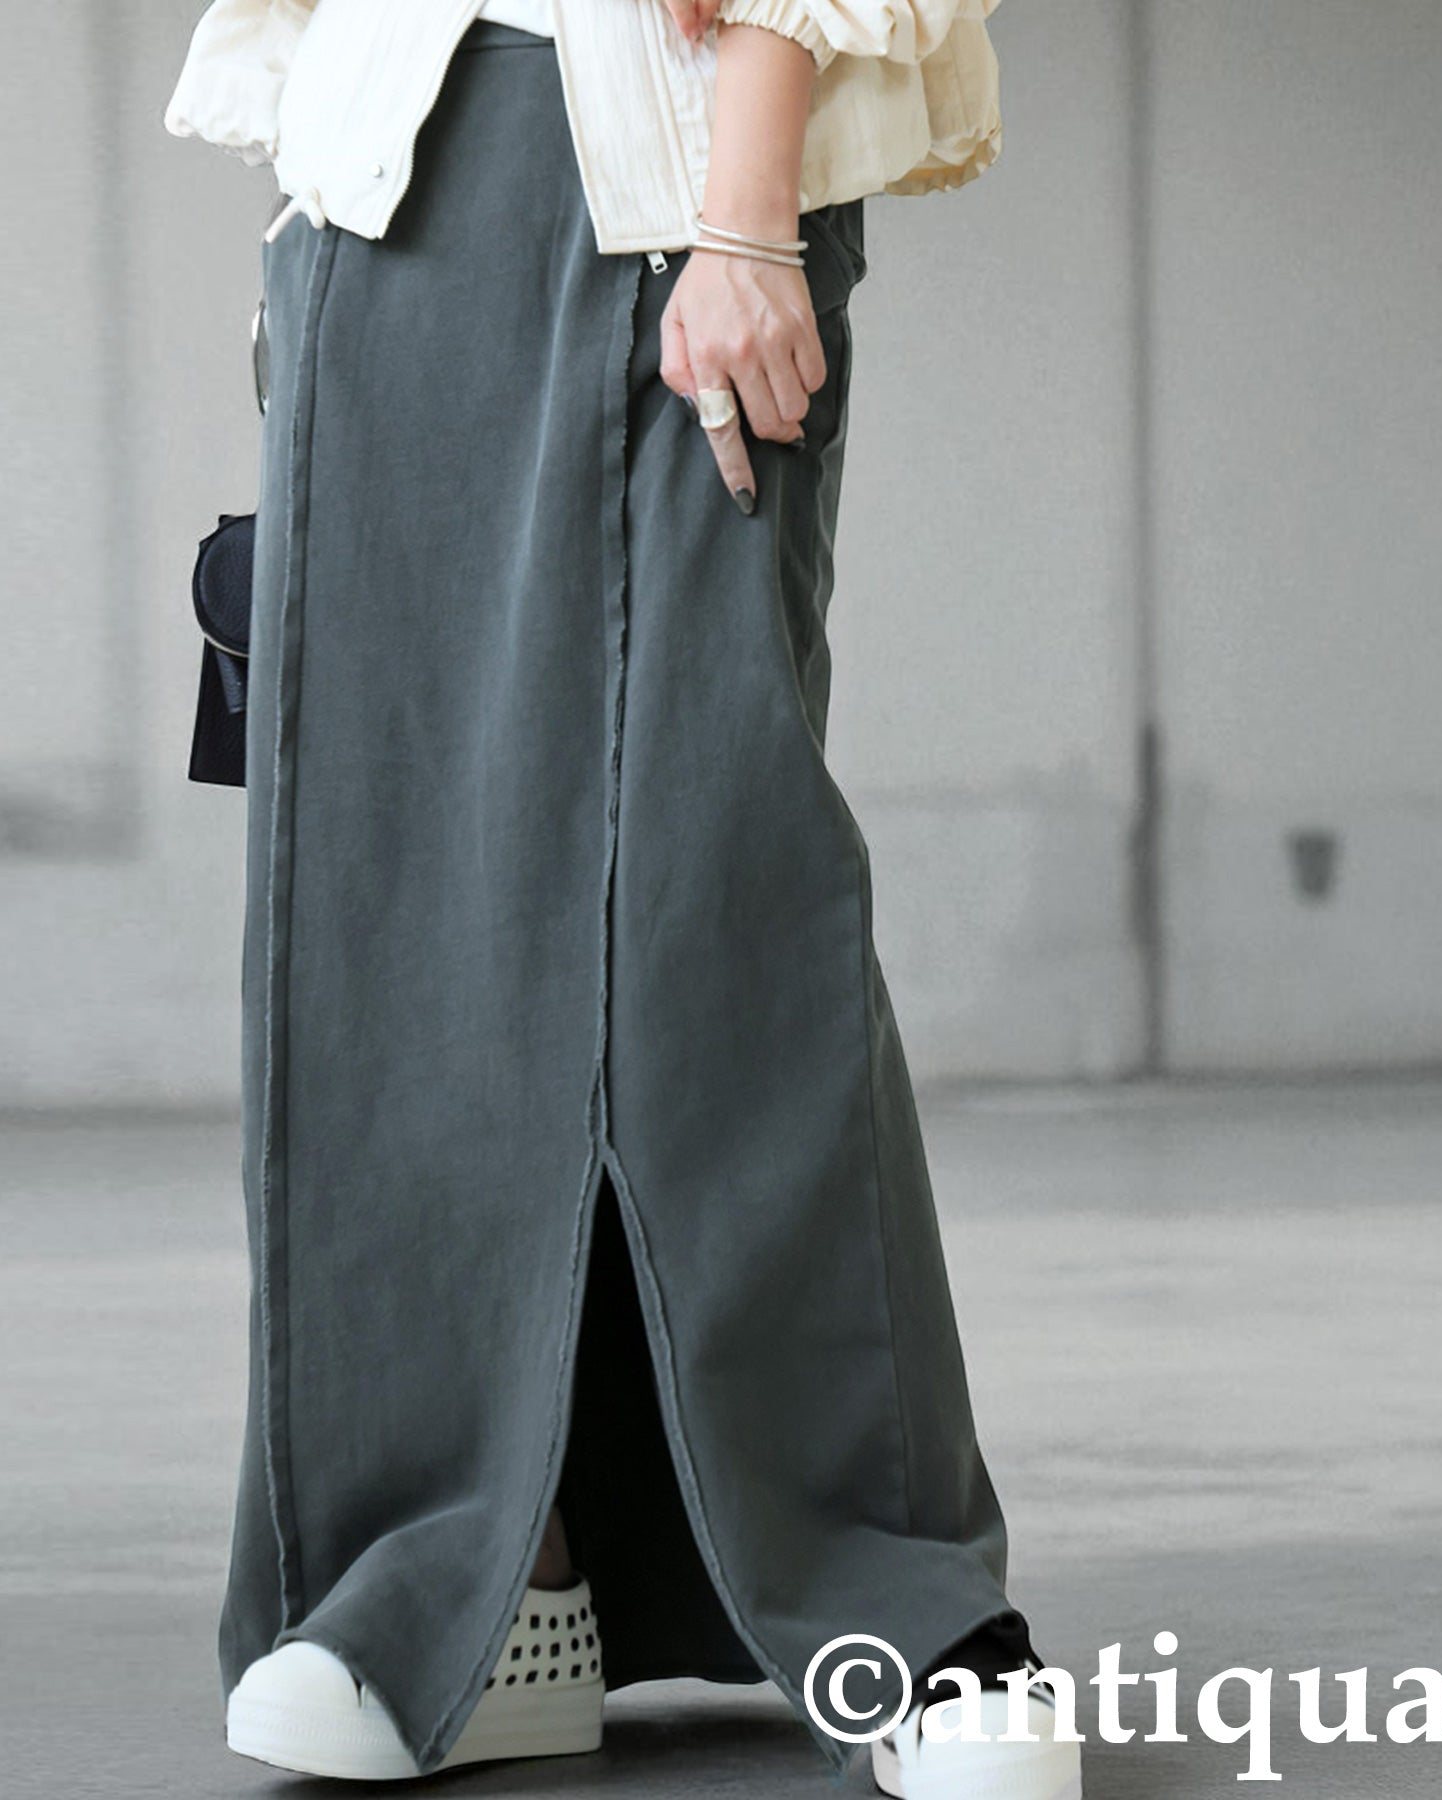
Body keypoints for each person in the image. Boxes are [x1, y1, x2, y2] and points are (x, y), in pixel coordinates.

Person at [164, 2, 1084, 1796]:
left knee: (716, 897)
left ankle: (900, 1608)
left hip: (680, 183)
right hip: (387, 184)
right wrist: (309, 203)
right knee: (404, 905)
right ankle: (476, 1588)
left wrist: (747, 218)